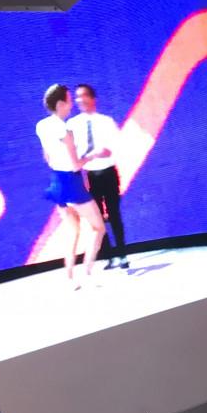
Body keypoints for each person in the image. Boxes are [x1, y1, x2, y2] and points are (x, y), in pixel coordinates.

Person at [37, 84, 105, 289]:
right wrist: (94, 155)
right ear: (60, 104)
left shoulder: (41, 125)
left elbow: (46, 157)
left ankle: (69, 278)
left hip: (57, 183)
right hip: (71, 183)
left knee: (72, 230)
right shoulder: (63, 129)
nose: (71, 105)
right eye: (68, 100)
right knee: (98, 228)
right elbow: (76, 164)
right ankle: (88, 273)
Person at [69, 84, 129, 270]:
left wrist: (104, 153)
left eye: (84, 96)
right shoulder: (73, 125)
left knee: (114, 214)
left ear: (93, 98)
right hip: (90, 176)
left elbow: (116, 148)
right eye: (77, 97)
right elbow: (72, 152)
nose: (81, 100)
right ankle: (108, 256)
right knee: (97, 219)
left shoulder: (106, 121)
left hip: (109, 173)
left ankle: (122, 254)